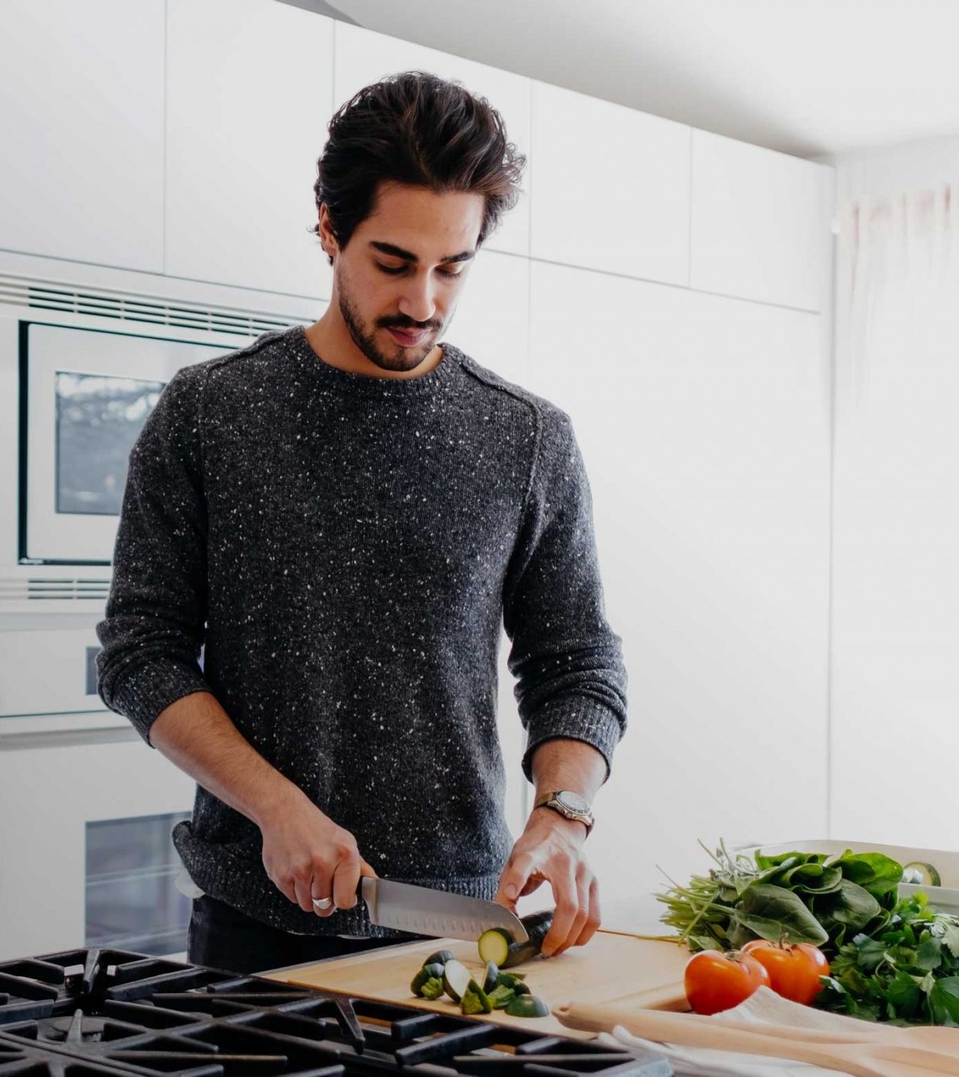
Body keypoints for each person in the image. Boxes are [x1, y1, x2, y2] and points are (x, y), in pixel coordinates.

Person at [93, 71, 627, 975]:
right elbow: (140, 653)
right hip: (253, 932)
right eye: (393, 261)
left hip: (459, 925)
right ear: (329, 228)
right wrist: (274, 807)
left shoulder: (528, 437)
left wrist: (563, 812)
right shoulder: (209, 413)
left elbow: (576, 660)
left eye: (452, 266)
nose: (423, 300)